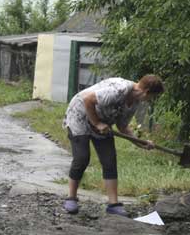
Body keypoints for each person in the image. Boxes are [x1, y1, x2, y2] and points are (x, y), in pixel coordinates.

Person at [62, 75, 164, 217]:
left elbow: (123, 127)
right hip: (80, 115)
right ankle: (71, 198)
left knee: (109, 160)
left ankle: (113, 204)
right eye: (152, 97)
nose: (151, 100)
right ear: (146, 92)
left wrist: (141, 143)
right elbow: (88, 100)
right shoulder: (119, 90)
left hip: (102, 121)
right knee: (82, 158)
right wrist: (97, 123)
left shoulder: (134, 102)